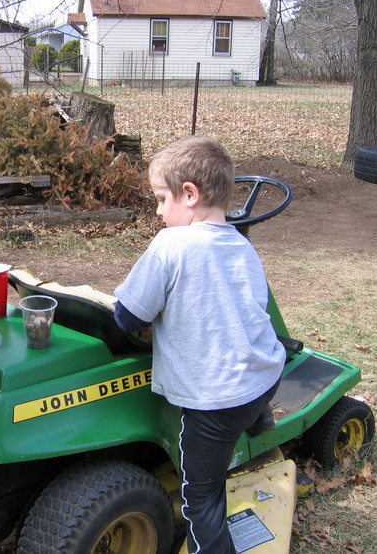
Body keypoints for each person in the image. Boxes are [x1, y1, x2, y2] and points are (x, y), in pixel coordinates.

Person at [113, 136, 286, 554]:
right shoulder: (241, 244)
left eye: (159, 199)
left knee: (201, 500)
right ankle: (259, 425)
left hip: (215, 404)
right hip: (266, 376)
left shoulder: (171, 245)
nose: (157, 211)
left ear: (188, 194)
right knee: (245, 383)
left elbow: (127, 317)